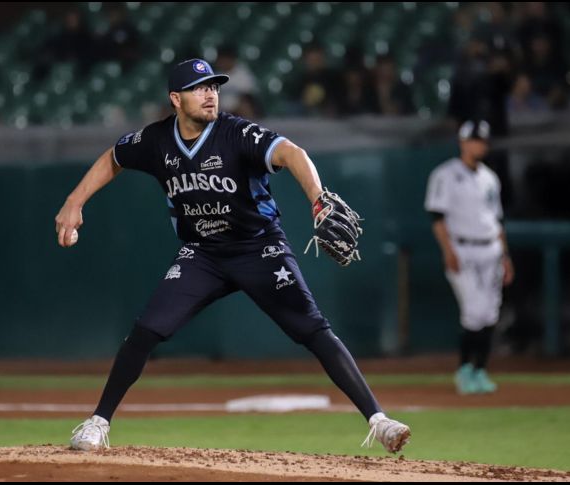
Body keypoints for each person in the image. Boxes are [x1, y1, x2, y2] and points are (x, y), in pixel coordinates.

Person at [55, 58, 411, 454]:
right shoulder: (156, 141)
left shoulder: (237, 133)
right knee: (145, 332)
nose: (210, 94)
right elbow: (114, 157)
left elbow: (292, 153)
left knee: (313, 330)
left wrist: (318, 201)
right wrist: (74, 201)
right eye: (199, 88)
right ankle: (97, 422)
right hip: (202, 255)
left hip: (258, 247)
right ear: (176, 98)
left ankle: (378, 421)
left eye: (214, 87)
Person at [424, 120, 515, 395]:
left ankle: (480, 371)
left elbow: (496, 221)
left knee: (490, 313)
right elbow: (437, 218)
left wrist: (506, 256)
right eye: (474, 140)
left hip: (491, 249)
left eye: (483, 140)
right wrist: (448, 251)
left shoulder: (490, 177)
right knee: (474, 311)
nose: (479, 145)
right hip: (462, 248)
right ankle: (465, 370)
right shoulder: (446, 174)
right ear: (462, 142)